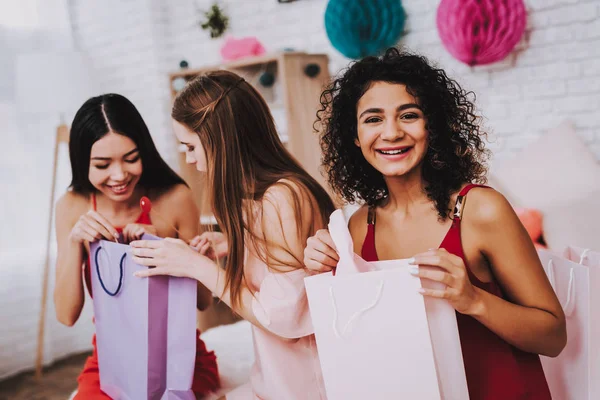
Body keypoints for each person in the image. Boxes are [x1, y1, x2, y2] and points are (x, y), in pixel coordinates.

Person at [302, 48, 566, 400]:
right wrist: (327, 270)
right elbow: (364, 336)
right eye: (373, 119)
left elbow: (553, 335)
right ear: (354, 135)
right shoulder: (359, 226)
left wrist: (473, 300)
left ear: (433, 125)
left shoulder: (481, 210)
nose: (391, 132)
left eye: (408, 115)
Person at [130, 71, 335, 400]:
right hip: (274, 380)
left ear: (220, 140)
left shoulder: (282, 197)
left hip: (308, 388)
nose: (189, 157)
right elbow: (279, 262)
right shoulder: (256, 198)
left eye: (191, 146)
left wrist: (197, 268)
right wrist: (230, 243)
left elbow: (280, 317)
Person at [54, 93, 220, 399]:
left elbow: (203, 302)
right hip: (111, 359)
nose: (119, 175)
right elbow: (66, 315)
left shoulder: (174, 198)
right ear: (81, 162)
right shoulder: (71, 206)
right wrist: (74, 242)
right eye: (103, 165)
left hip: (176, 357)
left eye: (131, 159)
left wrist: (165, 249)